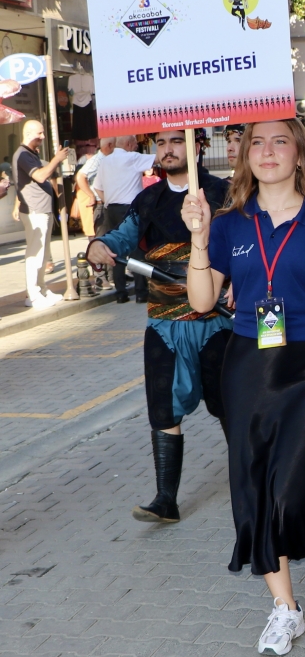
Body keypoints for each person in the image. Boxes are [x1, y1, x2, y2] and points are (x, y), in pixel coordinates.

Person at [184, 119, 305, 656]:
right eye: (255, 142)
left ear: (300, 155)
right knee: (255, 490)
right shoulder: (228, 224)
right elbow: (199, 301)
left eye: (279, 141)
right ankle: (285, 608)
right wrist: (198, 239)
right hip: (246, 370)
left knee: (293, 489)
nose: (266, 151)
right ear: (243, 157)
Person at [86, 130, 231, 524]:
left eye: (176, 141)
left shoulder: (225, 193)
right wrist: (99, 245)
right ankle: (166, 499)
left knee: (231, 406)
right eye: (161, 144)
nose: (167, 150)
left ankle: (251, 479)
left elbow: (243, 246)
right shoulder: (148, 199)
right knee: (162, 410)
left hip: (218, 323)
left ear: (197, 145)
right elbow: (122, 236)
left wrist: (236, 282)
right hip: (164, 323)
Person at [12, 121, 72, 309]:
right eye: (40, 133)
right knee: (35, 254)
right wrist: (57, 159)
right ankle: (34, 294)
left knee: (43, 254)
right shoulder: (22, 154)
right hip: (34, 211)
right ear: (30, 134)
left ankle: (42, 289)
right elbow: (39, 176)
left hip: (41, 210)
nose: (43, 137)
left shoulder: (31, 154)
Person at [97, 134, 157, 303]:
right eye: (136, 144)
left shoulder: (105, 161)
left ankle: (121, 293)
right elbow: (159, 158)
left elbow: (97, 187)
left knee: (115, 250)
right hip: (130, 208)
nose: (137, 146)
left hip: (111, 209)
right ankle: (141, 292)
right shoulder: (132, 158)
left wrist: (108, 199)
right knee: (137, 250)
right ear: (129, 144)